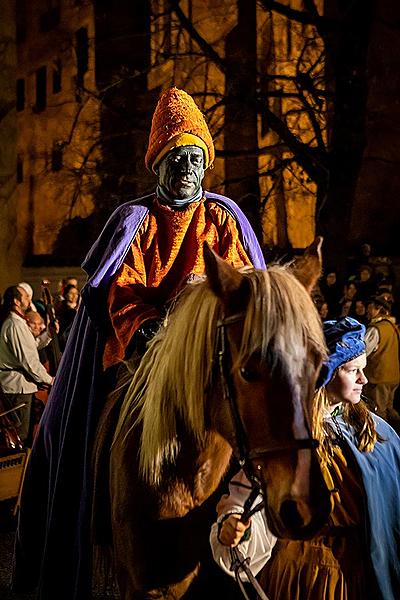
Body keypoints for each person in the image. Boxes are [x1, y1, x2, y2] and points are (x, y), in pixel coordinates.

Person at [13, 87, 266, 600]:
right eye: (179, 158)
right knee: (93, 419)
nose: (189, 168)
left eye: (197, 158)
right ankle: (89, 510)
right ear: (160, 165)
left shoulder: (221, 219)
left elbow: (242, 282)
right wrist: (148, 325)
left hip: (208, 353)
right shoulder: (137, 221)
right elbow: (121, 291)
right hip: (145, 355)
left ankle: (263, 509)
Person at [211, 317, 400, 600]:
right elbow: (252, 500)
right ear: (325, 374)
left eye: (364, 370)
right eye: (353, 371)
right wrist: (238, 526)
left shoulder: (377, 432)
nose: (365, 379)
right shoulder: (287, 436)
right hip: (299, 574)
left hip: (359, 572)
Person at [0, 286, 54, 445]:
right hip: (17, 387)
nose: (29, 300)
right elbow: (28, 360)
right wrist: (50, 380)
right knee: (20, 437)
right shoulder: (15, 325)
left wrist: (48, 335)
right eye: (25, 297)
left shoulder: (18, 323)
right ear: (16, 301)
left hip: (21, 385)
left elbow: (30, 347)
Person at [364, 294, 400, 433]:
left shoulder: (375, 329)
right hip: (393, 377)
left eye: (370, 308)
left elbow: (363, 351)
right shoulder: (393, 327)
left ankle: (383, 439)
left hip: (379, 377)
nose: (368, 311)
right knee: (389, 408)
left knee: (379, 412)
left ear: (379, 309)